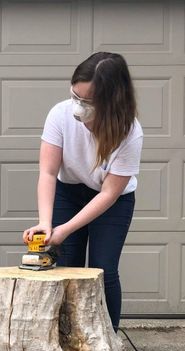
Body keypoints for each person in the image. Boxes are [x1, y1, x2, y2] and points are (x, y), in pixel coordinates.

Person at [22, 52, 143, 332]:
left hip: (112, 200)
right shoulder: (60, 114)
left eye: (87, 102)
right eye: (75, 96)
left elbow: (109, 194)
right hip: (69, 190)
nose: (78, 106)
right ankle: (66, 338)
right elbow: (48, 172)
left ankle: (108, 342)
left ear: (111, 100)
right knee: (66, 267)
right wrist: (45, 222)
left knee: (102, 270)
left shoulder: (129, 132)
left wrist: (64, 229)